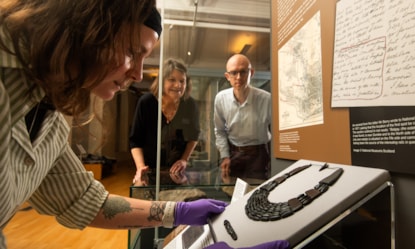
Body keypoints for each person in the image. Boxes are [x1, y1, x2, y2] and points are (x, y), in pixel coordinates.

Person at [0, 1, 288, 249]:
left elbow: (84, 199)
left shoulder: (50, 121)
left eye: (144, 58)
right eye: (130, 51)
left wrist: (178, 212)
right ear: (86, 29)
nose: (137, 73)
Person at [130, 58, 199, 186]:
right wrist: (141, 168)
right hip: (149, 170)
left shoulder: (190, 105)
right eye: (172, 80)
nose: (178, 85)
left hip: (178, 172)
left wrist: (184, 159)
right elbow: (135, 141)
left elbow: (194, 136)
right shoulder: (146, 102)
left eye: (182, 81)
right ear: (162, 81)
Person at [214, 54, 272, 183]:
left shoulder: (267, 99)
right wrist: (225, 156)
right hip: (234, 154)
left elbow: (278, 134)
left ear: (251, 73)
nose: (239, 77)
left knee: (258, 194)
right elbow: (219, 131)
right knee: (232, 194)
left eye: (243, 72)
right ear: (227, 76)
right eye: (234, 73)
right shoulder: (221, 99)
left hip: (259, 156)